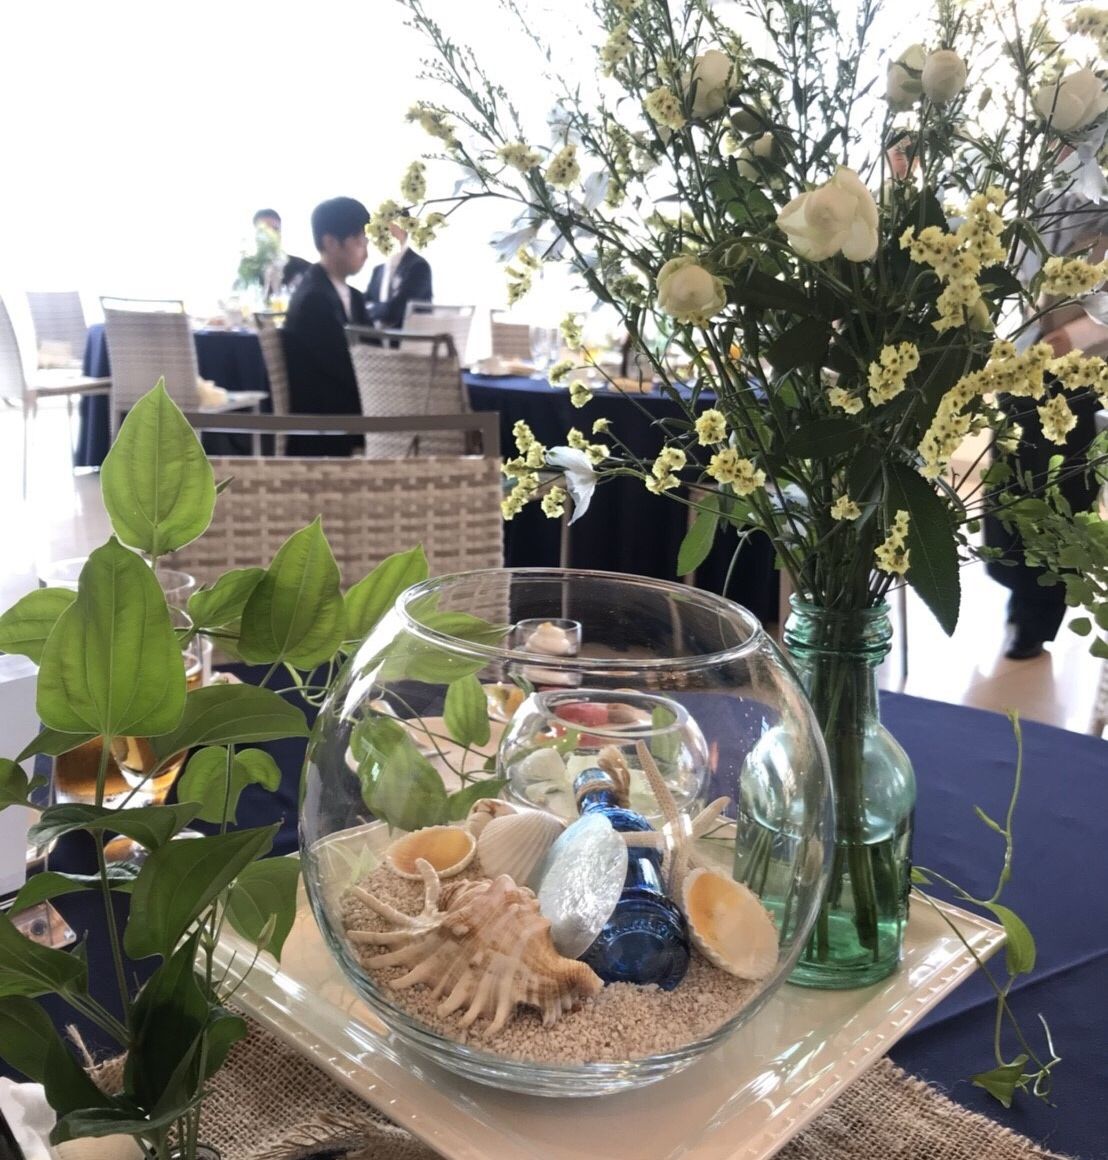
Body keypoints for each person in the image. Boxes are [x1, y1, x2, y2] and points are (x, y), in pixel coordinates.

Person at [985, 177, 1105, 659]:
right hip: (1020, 362)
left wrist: (1064, 343)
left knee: (1056, 495)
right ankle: (1017, 593)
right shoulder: (1048, 198)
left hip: (1076, 373)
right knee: (1009, 486)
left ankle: (1036, 618)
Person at [283, 196, 371, 456]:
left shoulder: (352, 296)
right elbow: (344, 367)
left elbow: (373, 349)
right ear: (331, 242)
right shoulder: (313, 299)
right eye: (359, 241)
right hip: (325, 426)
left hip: (350, 412)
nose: (366, 251)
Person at [365, 221, 433, 329]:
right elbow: (364, 303)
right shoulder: (378, 270)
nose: (383, 231)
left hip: (409, 336)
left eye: (388, 227)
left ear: (403, 229)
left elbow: (397, 310)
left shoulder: (418, 266)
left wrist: (370, 309)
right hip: (377, 336)